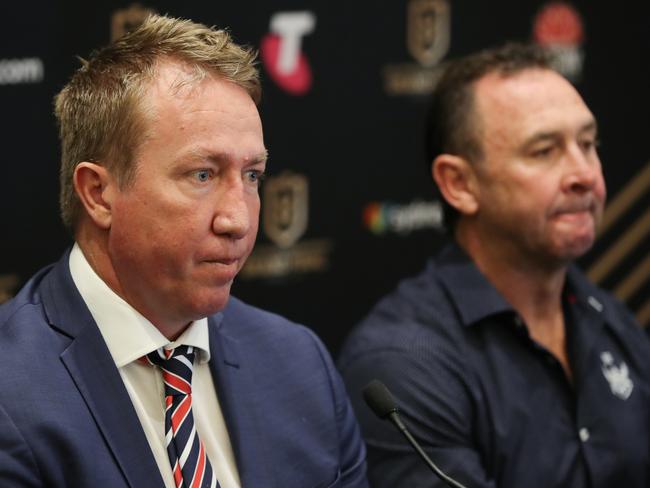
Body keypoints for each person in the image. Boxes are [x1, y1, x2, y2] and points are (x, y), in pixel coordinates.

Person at [0, 15, 367, 488]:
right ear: (97, 193)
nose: (237, 219)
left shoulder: (298, 363)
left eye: (252, 175)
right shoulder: (11, 390)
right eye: (202, 175)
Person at [339, 43, 650, 487]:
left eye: (588, 143)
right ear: (459, 183)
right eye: (544, 151)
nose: (585, 173)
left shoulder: (609, 317)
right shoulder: (405, 362)